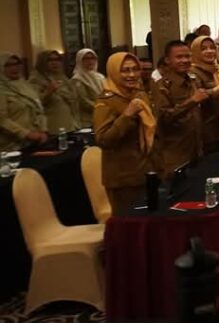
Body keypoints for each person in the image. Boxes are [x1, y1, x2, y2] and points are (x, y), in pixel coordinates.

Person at [93, 52, 156, 215]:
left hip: (146, 171)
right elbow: (103, 140)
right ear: (113, 72)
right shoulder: (106, 101)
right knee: (129, 225)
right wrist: (127, 115)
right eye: (125, 70)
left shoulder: (139, 94)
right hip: (123, 178)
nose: (132, 75)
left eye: (135, 69)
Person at [151, 40, 206, 177]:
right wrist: (192, 101)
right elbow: (164, 118)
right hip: (175, 155)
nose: (185, 60)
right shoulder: (162, 86)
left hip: (196, 151)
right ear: (167, 60)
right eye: (179, 57)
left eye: (187, 56)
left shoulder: (193, 80)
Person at [190, 36, 219, 152]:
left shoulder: (216, 69)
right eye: (204, 49)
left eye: (212, 47)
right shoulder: (193, 72)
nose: (209, 51)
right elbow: (200, 96)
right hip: (206, 130)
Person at [0, 52, 47, 151]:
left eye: (17, 64)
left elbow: (39, 108)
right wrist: (26, 134)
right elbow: (2, 119)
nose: (14, 68)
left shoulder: (25, 85)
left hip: (34, 141)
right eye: (8, 65)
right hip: (11, 145)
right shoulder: (2, 88)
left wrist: (43, 130)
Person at [30, 50, 80, 134]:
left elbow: (73, 99)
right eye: (50, 60)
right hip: (52, 126)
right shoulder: (36, 80)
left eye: (57, 59)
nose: (55, 63)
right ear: (43, 62)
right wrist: (48, 92)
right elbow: (34, 104)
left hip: (69, 124)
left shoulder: (63, 78)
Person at [70, 48, 104, 128]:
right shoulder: (77, 79)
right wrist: (101, 108)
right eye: (86, 59)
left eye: (92, 58)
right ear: (80, 60)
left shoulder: (100, 77)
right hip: (87, 120)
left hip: (103, 116)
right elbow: (83, 100)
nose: (90, 61)